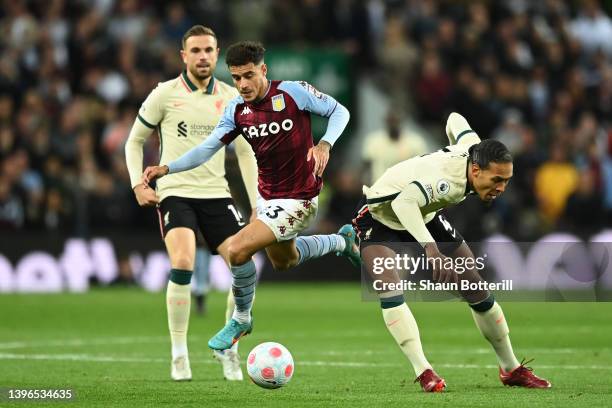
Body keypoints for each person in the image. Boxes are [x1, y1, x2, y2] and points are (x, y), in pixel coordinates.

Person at [142, 41, 360, 351]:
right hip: (267, 198)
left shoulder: (293, 92)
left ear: (263, 70)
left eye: (248, 75)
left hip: (301, 197)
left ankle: (241, 318)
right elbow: (207, 149)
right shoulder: (236, 109)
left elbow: (340, 111)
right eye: (236, 77)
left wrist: (325, 143)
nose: (242, 84)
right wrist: (168, 167)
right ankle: (342, 241)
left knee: (238, 250)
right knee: (286, 260)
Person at [352, 112, 551, 392]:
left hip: (425, 211)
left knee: (475, 286)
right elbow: (403, 204)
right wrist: (431, 250)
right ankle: (424, 371)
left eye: (506, 180)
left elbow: (455, 119)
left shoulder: (474, 152)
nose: (501, 188)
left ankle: (511, 369)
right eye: (497, 180)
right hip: (381, 213)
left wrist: (460, 146)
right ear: (476, 170)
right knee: (389, 286)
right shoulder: (446, 181)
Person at [124, 26, 259, 382]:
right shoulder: (165, 94)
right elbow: (134, 141)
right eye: (195, 50)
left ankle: (230, 348)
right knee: (182, 261)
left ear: (217, 55)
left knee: (243, 264)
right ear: (183, 56)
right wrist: (138, 183)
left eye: (209, 50)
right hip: (175, 190)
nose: (202, 57)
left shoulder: (233, 96)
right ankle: (179, 353)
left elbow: (245, 152)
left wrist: (257, 202)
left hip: (217, 193)